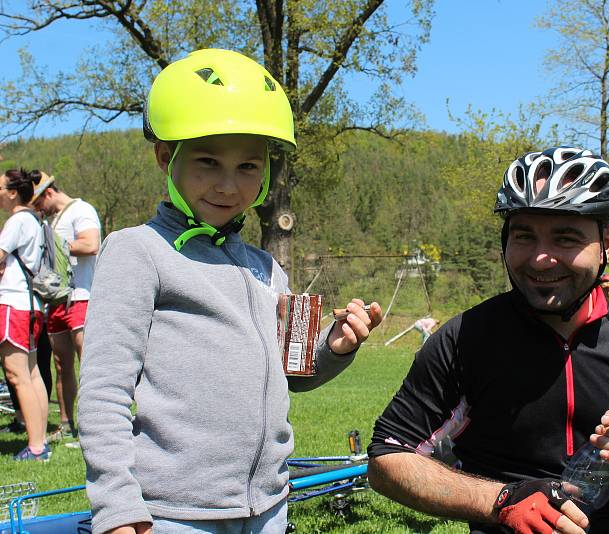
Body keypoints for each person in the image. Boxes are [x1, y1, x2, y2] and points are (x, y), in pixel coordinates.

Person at [77, 48, 382, 534]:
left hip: (269, 505)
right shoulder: (138, 252)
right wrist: (116, 506)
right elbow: (103, 391)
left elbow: (293, 375)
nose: (228, 184)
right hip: (173, 513)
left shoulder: (263, 266)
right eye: (207, 162)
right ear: (165, 157)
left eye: (248, 167)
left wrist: (335, 346)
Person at [367, 147, 609, 534]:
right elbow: (387, 458)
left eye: (565, 239)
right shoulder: (465, 337)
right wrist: (500, 501)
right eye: (524, 236)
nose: (540, 259)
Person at [31, 170, 101, 441]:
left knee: (89, 362)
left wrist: (56, 246)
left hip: (82, 296)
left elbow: (91, 244)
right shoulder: (52, 219)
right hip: (57, 300)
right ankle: (67, 424)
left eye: (38, 203)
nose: (38, 209)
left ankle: (96, 424)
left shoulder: (80, 209)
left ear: (48, 193)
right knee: (62, 364)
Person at [0, 168, 49, 461]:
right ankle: (40, 440)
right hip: (31, 305)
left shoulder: (18, 220)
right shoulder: (34, 219)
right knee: (32, 373)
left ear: (13, 192)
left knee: (17, 375)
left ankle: (36, 447)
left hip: (14, 304)